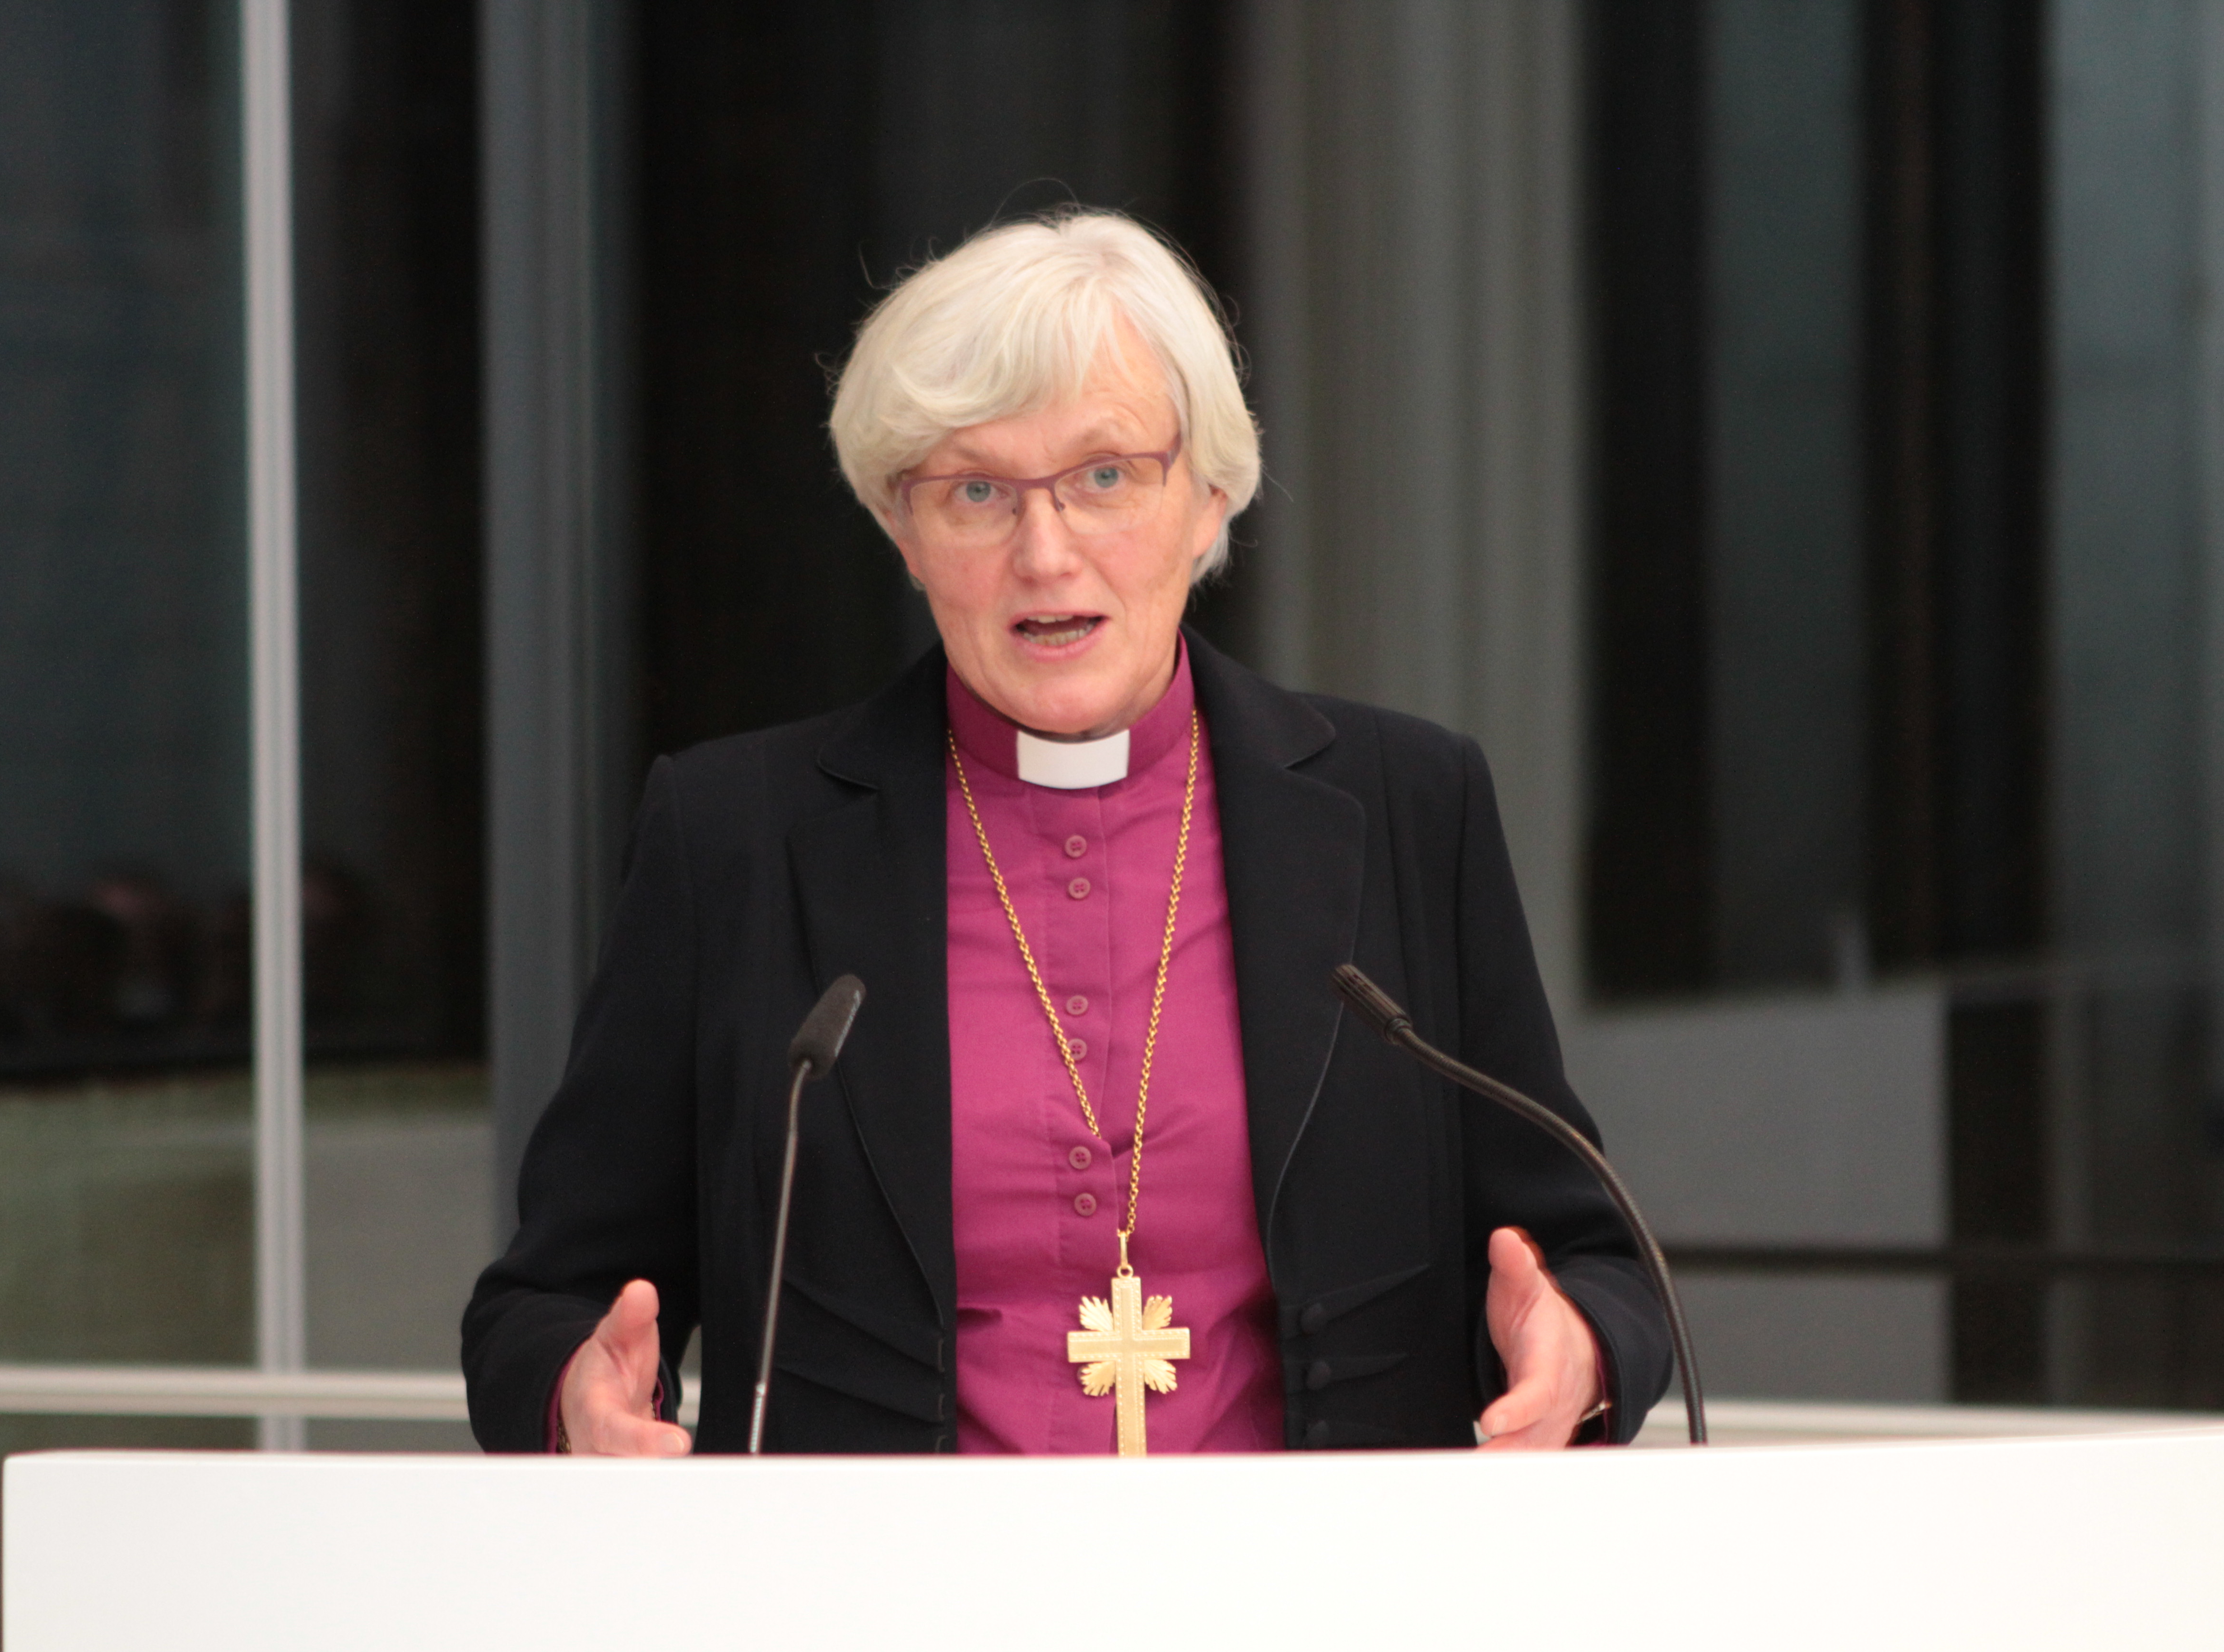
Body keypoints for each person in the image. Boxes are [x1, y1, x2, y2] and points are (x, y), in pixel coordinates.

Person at [463, 209, 1672, 1457]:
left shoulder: (1408, 805)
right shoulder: (735, 839)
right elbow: (547, 1300)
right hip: (874, 1568)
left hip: (1317, 1564)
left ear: (1209, 497)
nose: (1045, 554)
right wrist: (576, 1393)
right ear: (901, 530)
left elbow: (1587, 1252)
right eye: (976, 492)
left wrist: (1578, 1344)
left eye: (1105, 477)